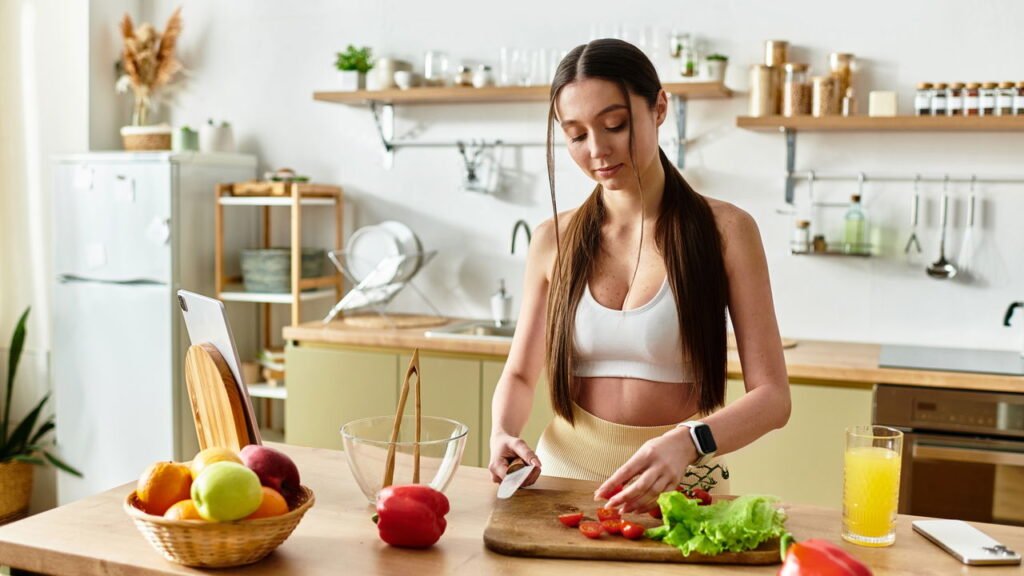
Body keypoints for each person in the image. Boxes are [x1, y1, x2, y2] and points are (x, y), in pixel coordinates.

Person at [487, 38, 791, 514]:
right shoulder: (553, 239)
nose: (597, 150)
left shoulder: (727, 232)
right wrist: (502, 432)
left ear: (659, 108)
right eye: (576, 135)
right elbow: (521, 373)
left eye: (615, 125)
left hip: (686, 485)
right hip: (561, 482)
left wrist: (690, 440)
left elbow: (773, 399)